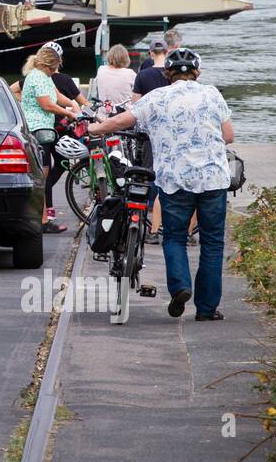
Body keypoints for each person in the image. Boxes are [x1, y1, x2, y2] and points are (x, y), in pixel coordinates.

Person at [88, 48, 233, 321]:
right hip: (213, 178)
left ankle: (180, 287)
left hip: (175, 180)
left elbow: (121, 120)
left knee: (174, 237)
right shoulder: (212, 94)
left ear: (167, 73)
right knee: (213, 243)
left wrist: (95, 128)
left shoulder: (157, 97)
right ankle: (206, 309)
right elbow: (229, 135)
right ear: (197, 73)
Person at [19, 45, 79, 234]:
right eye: (54, 68)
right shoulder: (37, 77)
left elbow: (56, 96)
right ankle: (42, 220)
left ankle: (41, 218)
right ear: (46, 65)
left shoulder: (43, 77)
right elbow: (47, 104)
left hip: (43, 130)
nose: (55, 71)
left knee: (42, 176)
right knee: (41, 177)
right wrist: (69, 114)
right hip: (39, 131)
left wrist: (72, 104)